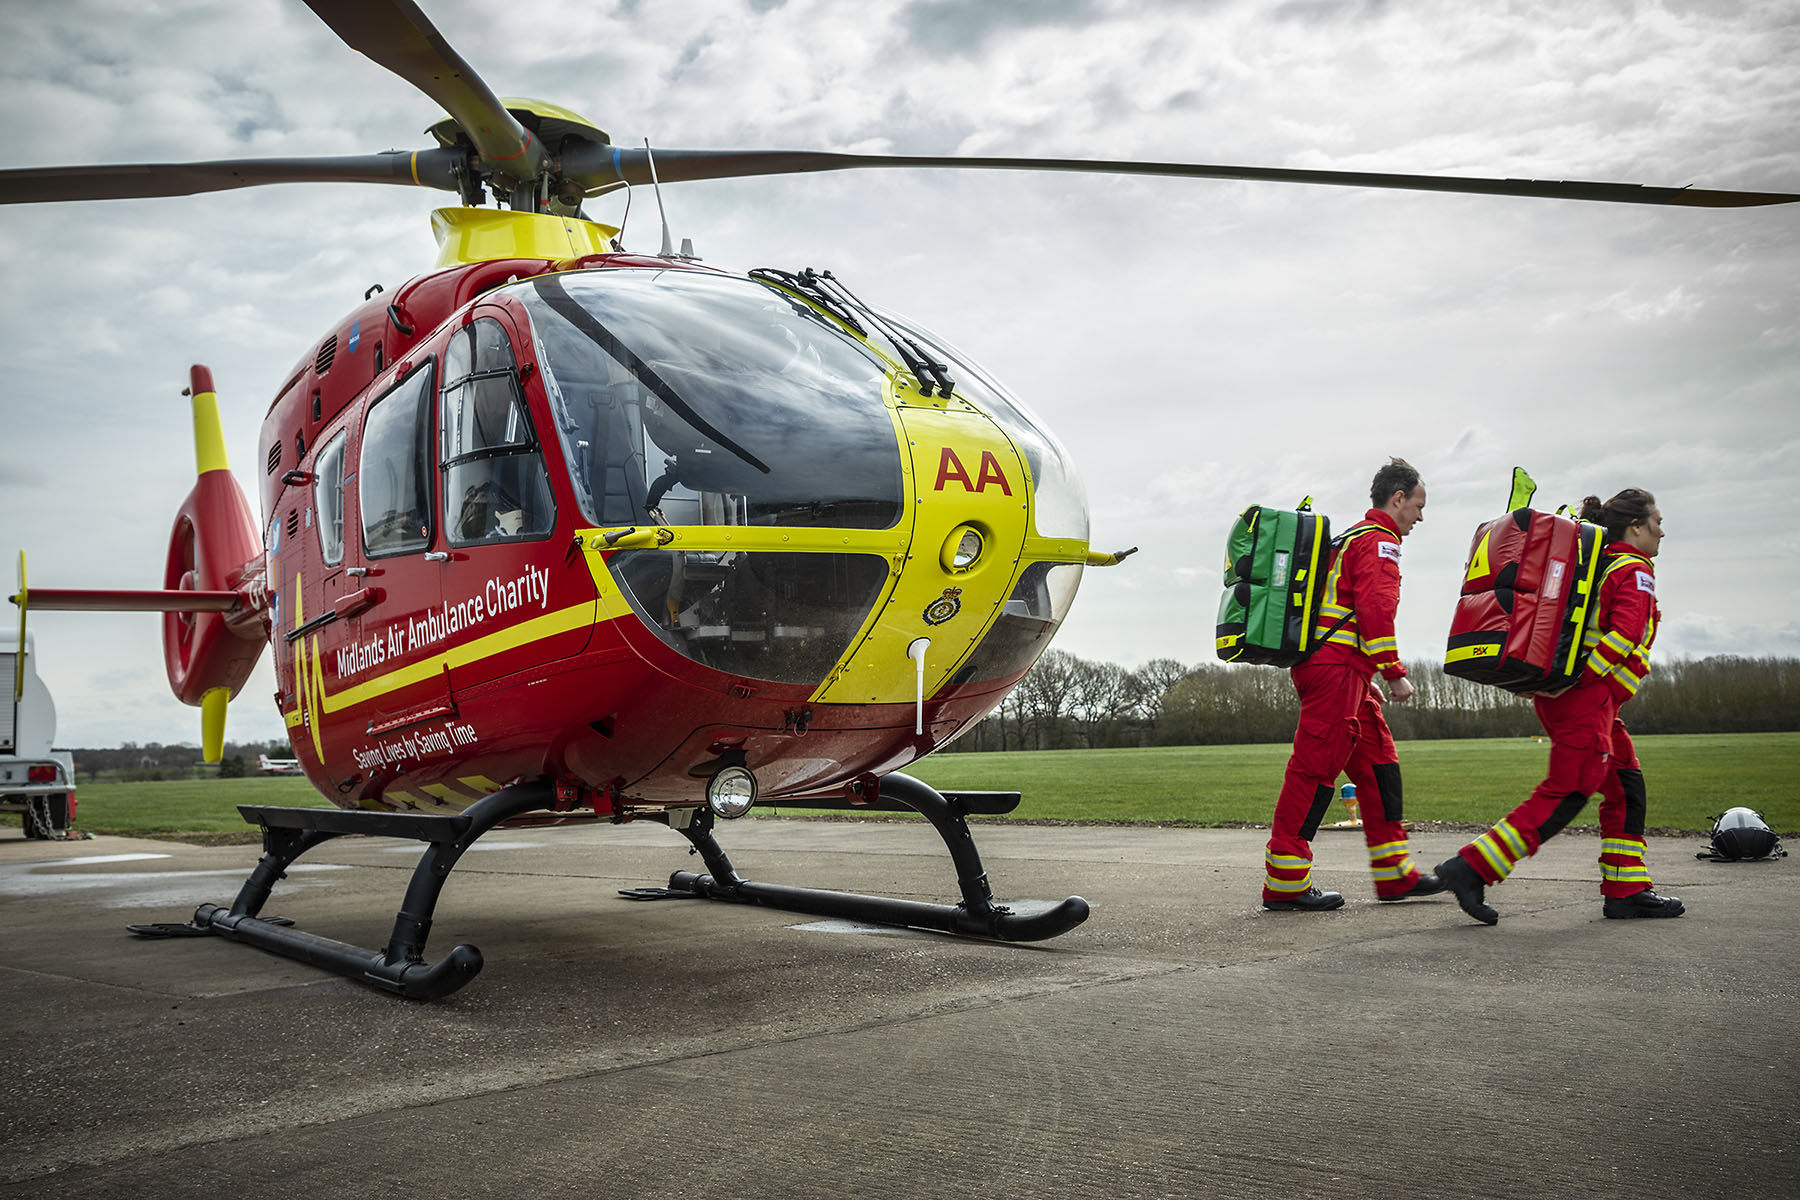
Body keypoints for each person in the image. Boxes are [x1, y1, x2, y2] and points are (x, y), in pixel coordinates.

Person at [1436, 488, 1683, 923]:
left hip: (1578, 701)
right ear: (1636, 527)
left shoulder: (1601, 564)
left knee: (1626, 788)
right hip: (1585, 700)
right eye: (1657, 522)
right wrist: (1581, 685)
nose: (1663, 531)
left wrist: (1560, 685)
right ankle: (1472, 868)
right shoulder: (1634, 568)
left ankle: (1626, 890)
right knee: (1566, 792)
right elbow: (1624, 635)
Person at [1262, 458, 1444, 911]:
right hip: (1336, 670)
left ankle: (1395, 874)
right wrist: (1393, 670)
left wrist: (1367, 676)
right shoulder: (1380, 542)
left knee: (1379, 765)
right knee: (1314, 771)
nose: (1421, 516)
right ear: (1397, 499)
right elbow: (1375, 610)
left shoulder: (1353, 538)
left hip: (1345, 671)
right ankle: (1285, 883)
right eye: (1419, 505)